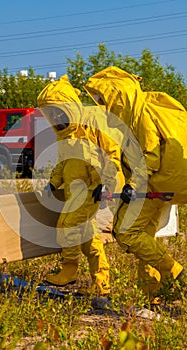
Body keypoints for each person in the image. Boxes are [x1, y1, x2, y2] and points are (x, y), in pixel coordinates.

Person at [84, 66, 186, 300]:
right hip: (164, 183)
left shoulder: (139, 115)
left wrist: (132, 184)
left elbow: (150, 153)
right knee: (145, 237)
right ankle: (155, 293)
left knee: (126, 231)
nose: (101, 104)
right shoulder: (145, 107)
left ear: (116, 94)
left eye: (102, 98)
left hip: (152, 183)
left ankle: (175, 272)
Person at [37, 75, 124, 295]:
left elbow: (112, 155)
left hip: (91, 191)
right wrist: (54, 182)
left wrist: (106, 184)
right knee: (88, 239)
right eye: (51, 114)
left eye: (58, 112)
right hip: (73, 193)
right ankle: (101, 284)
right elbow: (63, 163)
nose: (56, 118)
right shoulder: (64, 136)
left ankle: (68, 272)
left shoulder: (93, 125)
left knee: (66, 225)